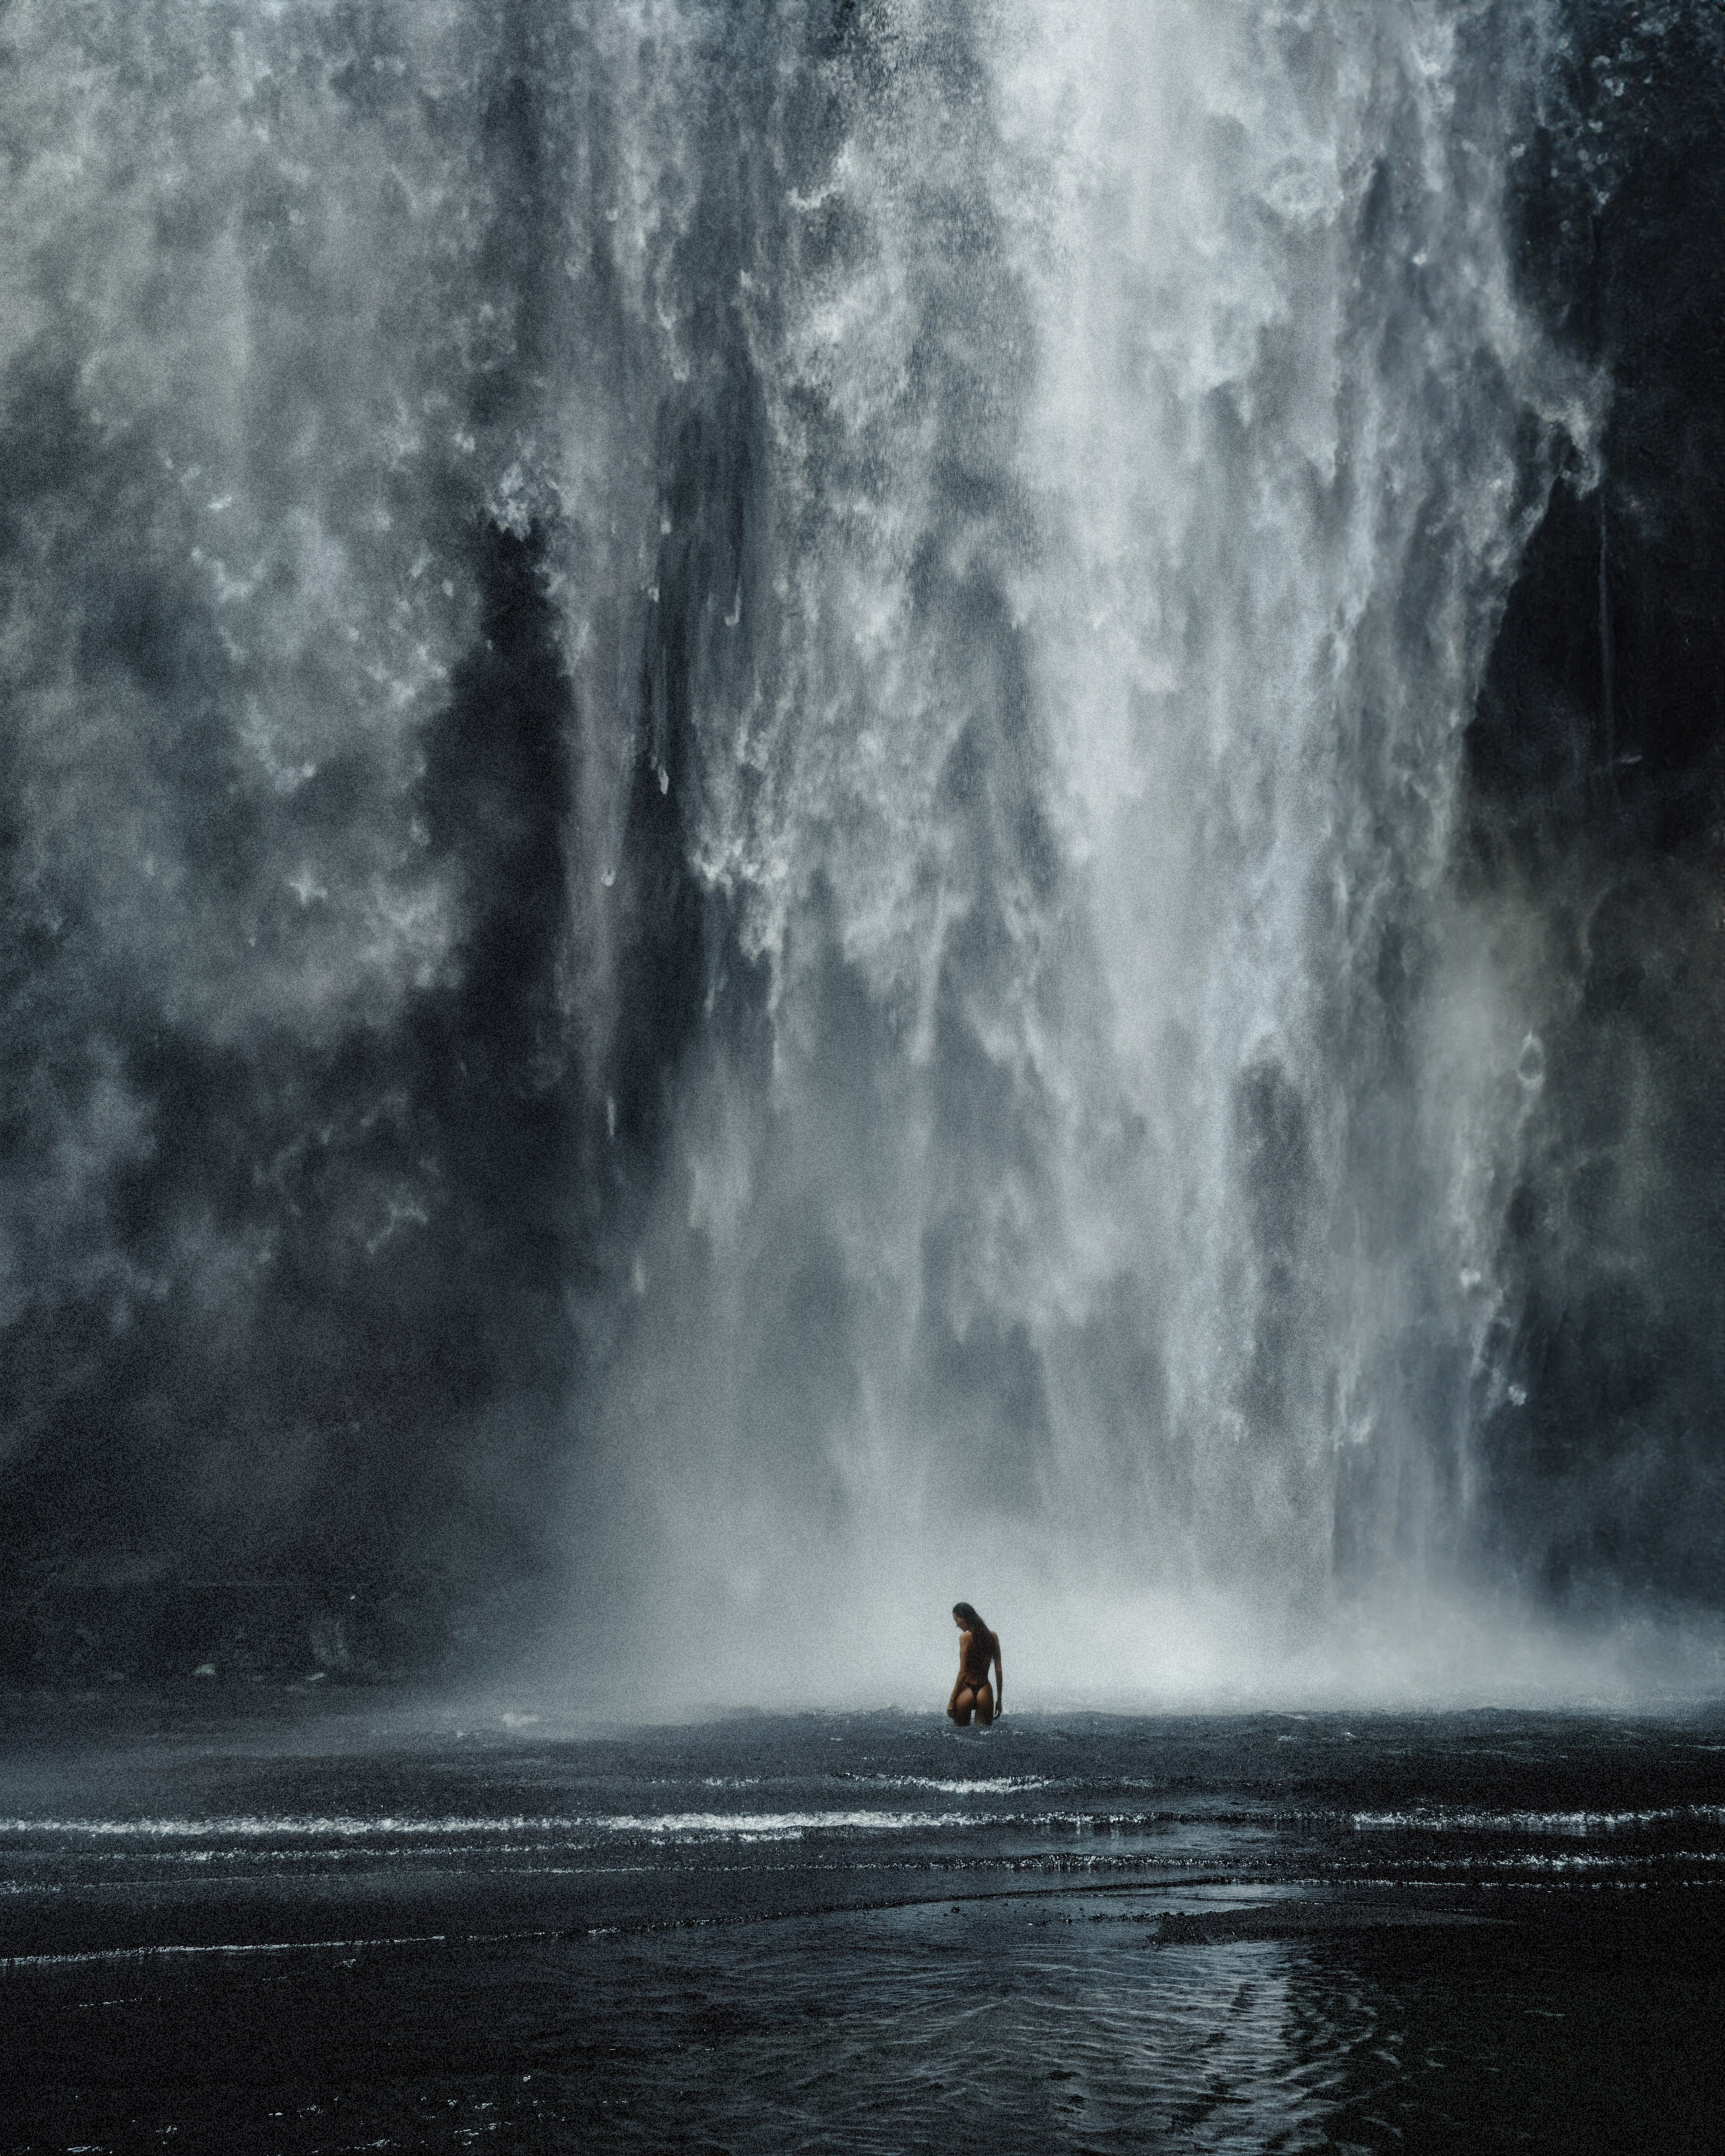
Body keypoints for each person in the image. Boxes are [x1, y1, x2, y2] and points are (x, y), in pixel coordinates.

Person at [947, 1602, 1003, 1726]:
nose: (957, 1625)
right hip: (984, 1690)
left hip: (966, 1689)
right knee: (984, 1738)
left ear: (965, 1617)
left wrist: (952, 1701)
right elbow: (998, 1669)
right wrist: (999, 1699)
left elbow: (963, 1673)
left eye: (957, 1620)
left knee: (960, 1737)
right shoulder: (993, 1636)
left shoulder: (964, 1638)